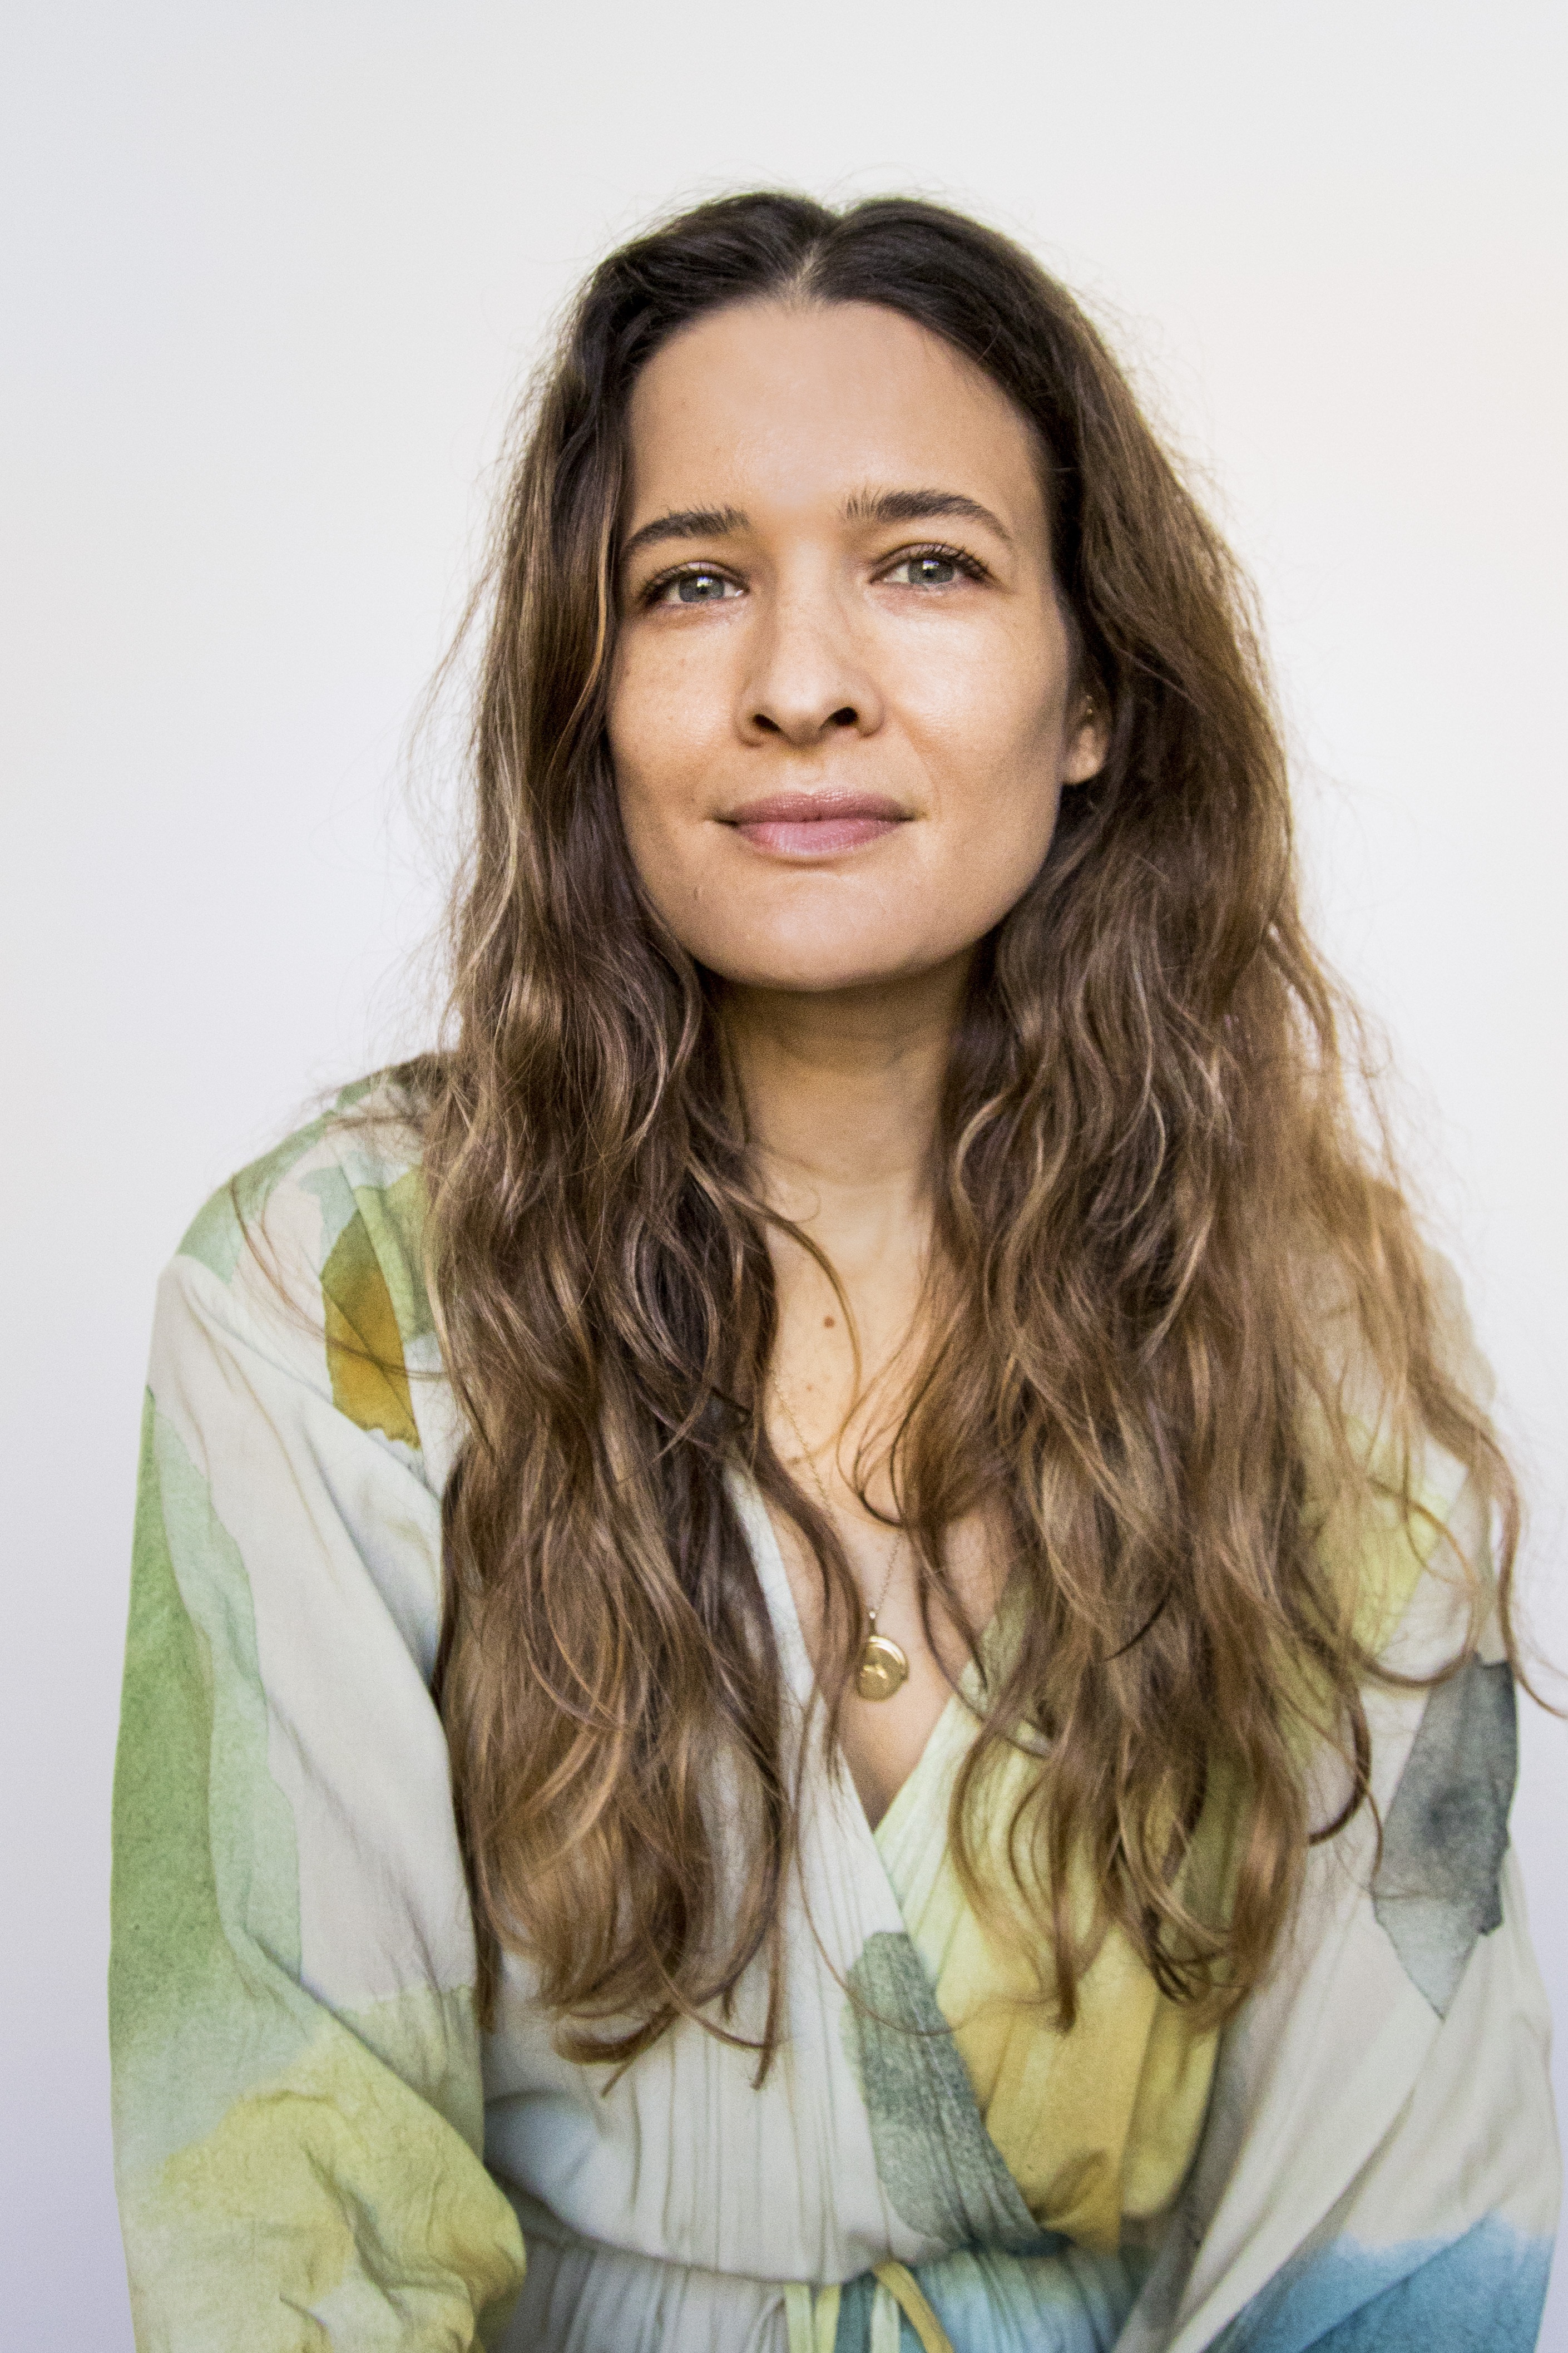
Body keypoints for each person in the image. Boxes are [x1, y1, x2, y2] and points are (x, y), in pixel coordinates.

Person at [108, 191, 1558, 2353]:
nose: (799, 685)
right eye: (693, 582)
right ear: (589, 692)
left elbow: (1398, 2215)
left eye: (927, 565)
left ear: (1094, 691)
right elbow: (286, 2214)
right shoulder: (336, 1296)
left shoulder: (1317, 1320)